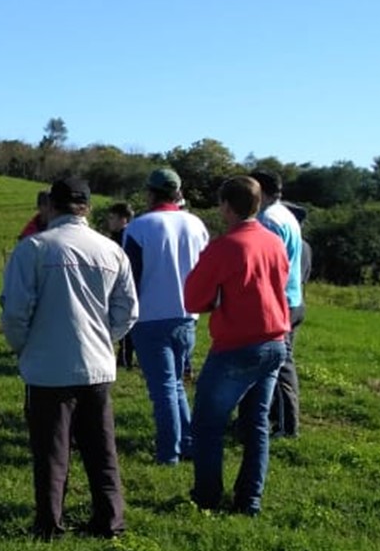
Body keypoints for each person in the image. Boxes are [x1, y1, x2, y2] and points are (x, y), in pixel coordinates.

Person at [0, 177, 138, 539]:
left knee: (52, 452)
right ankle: (110, 520)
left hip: (48, 368)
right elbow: (127, 310)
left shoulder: (34, 249)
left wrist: (23, 347)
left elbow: (15, 312)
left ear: (50, 206)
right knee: (102, 449)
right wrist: (105, 339)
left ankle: (50, 523)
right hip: (96, 366)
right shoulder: (111, 251)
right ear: (87, 208)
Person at [183, 176, 291, 515]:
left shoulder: (224, 247)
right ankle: (249, 500)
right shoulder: (274, 242)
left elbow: (193, 298)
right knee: (256, 424)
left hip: (236, 346)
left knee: (207, 424)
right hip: (275, 342)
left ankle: (207, 496)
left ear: (226, 206)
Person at [121, 168, 210, 464]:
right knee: (175, 385)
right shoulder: (197, 225)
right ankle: (187, 443)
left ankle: (168, 453)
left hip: (150, 315)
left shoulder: (139, 227)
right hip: (188, 315)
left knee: (162, 390)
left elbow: (130, 276)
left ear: (150, 193)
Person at [251, 170, 305, 438]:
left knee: (280, 366)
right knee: (279, 362)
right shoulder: (286, 215)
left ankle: (287, 426)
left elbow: (270, 264)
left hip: (280, 300)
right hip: (293, 298)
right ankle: (273, 418)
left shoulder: (268, 220)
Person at [102, 201, 136, 368]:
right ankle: (124, 357)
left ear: (124, 219)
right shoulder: (117, 237)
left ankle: (124, 358)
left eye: (112, 218)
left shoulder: (125, 237)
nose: (110, 221)